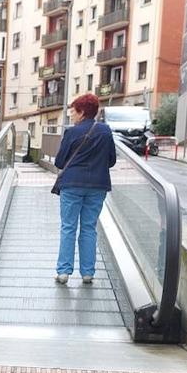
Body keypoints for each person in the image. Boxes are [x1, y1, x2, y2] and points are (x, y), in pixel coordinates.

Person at [53, 93, 116, 285]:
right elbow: (111, 160)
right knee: (89, 227)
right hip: (98, 186)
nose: (71, 115)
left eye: (73, 111)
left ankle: (64, 272)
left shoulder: (72, 133)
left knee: (68, 227)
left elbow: (60, 161)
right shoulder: (106, 131)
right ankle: (88, 273)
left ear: (81, 113)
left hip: (72, 185)